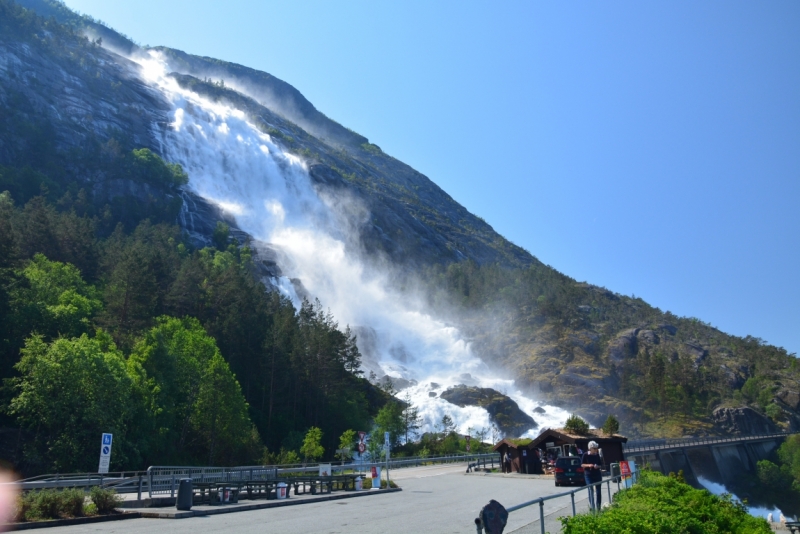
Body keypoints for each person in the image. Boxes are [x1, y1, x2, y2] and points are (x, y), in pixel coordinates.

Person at [581, 441, 603, 511]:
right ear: (590, 448)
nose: (596, 450)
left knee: (598, 491)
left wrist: (597, 466)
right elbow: (582, 464)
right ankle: (592, 508)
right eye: (594, 448)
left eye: (596, 448)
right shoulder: (585, 455)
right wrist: (589, 465)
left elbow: (600, 465)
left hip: (597, 474)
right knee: (590, 490)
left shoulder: (597, 455)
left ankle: (598, 508)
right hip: (588, 474)